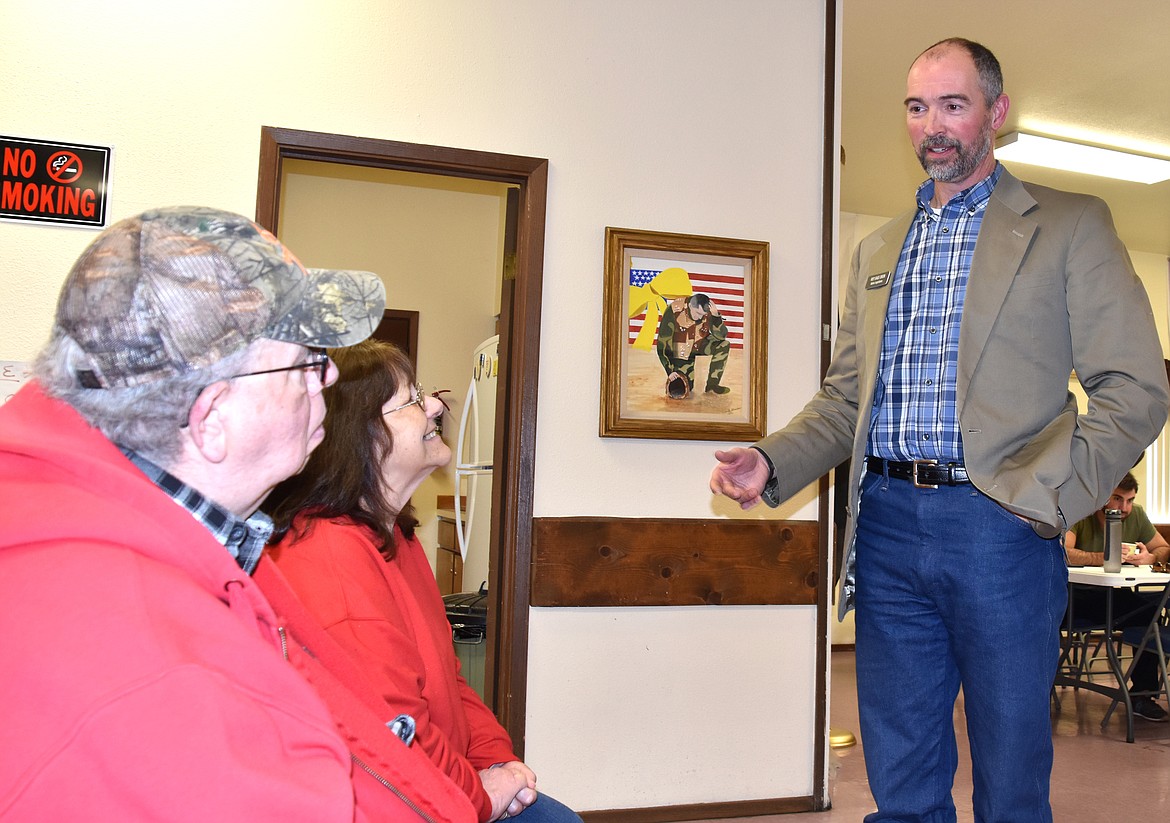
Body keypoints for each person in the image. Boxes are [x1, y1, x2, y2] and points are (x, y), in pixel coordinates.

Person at [709, 38, 1168, 823]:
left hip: (1000, 529)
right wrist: (769, 457)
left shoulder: (1068, 226)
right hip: (886, 529)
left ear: (996, 112)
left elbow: (1136, 387)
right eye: (918, 108)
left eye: (953, 105)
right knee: (901, 771)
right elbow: (848, 399)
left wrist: (1043, 496)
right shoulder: (879, 249)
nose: (934, 126)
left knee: (1011, 774)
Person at [0, 206, 476, 822]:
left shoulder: (179, 531)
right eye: (305, 360)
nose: (328, 375)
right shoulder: (146, 675)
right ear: (212, 419)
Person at [263, 339, 582, 823]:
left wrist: (495, 760)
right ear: (361, 435)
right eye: (412, 399)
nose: (435, 404)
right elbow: (394, 734)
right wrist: (478, 794)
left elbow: (447, 680)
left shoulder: (396, 537)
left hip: (442, 785)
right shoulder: (331, 559)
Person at [1064, 472, 1170, 721]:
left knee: (1148, 613)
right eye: (1117, 499)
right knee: (1145, 611)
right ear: (1102, 498)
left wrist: (1151, 557)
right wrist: (1102, 557)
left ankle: (1142, 695)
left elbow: (1163, 548)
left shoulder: (1137, 515)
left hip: (1114, 593)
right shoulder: (1082, 511)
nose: (1125, 507)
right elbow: (1065, 552)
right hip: (1075, 596)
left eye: (1130, 500)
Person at [656, 292, 730, 397]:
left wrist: (716, 316)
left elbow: (722, 336)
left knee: (723, 345)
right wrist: (670, 370)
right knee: (685, 388)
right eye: (697, 313)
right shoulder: (674, 310)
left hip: (699, 343)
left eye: (702, 314)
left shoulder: (708, 312)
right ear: (690, 305)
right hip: (681, 350)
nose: (699, 317)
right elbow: (662, 343)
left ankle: (712, 385)